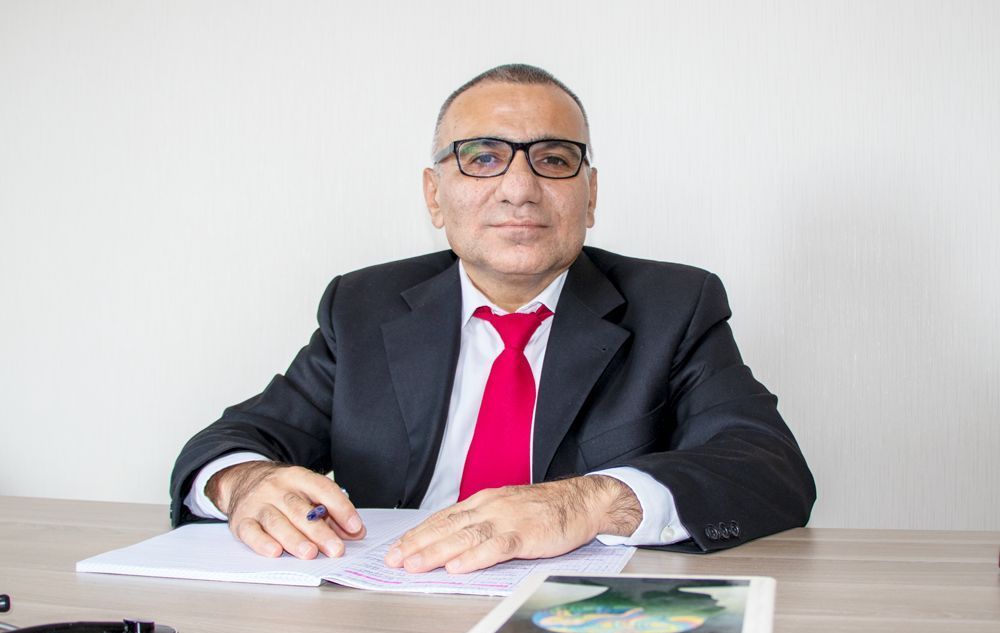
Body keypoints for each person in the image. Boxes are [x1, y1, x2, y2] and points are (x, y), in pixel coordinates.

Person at [169, 64, 815, 575]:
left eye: (554, 159)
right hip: (385, 604)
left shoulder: (676, 305)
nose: (519, 188)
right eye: (482, 157)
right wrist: (245, 482)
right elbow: (232, 441)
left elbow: (771, 469)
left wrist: (588, 501)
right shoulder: (363, 306)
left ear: (591, 195)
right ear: (434, 195)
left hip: (575, 619)